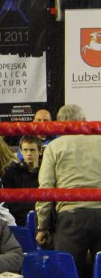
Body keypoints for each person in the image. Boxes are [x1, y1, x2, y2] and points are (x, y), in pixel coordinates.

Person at [35, 104, 101, 277]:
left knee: (67, 273)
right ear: (85, 121)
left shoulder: (54, 146)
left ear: (59, 124)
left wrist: (43, 227)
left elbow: (46, 188)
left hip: (70, 216)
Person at [2, 135, 42, 225]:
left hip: (42, 217)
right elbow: (9, 202)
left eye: (32, 150)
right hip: (19, 220)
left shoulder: (46, 171)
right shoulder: (11, 172)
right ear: (21, 151)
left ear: (40, 151)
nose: (29, 153)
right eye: (25, 150)